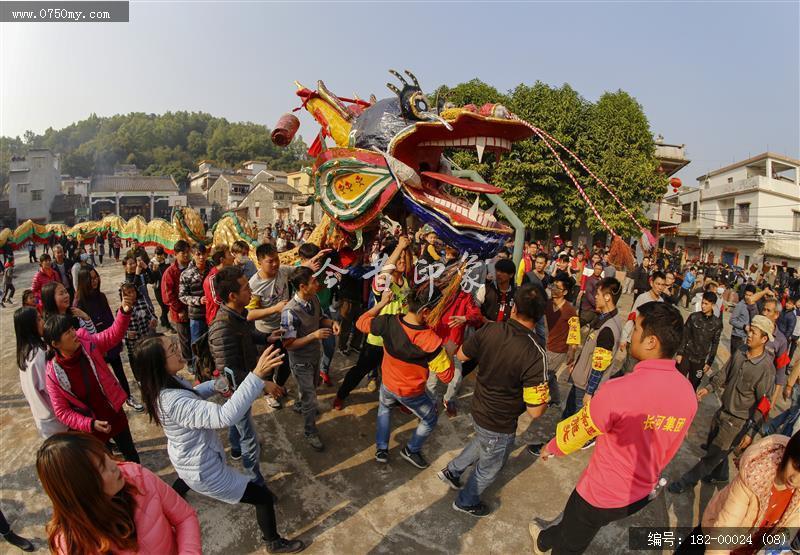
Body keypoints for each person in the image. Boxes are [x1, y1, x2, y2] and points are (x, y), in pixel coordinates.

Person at [530, 302, 697, 554]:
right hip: (640, 495)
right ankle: (545, 538)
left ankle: (547, 543)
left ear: (652, 341)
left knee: (571, 543)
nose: (630, 335)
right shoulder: (687, 392)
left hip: (600, 493)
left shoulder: (618, 390)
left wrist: (552, 447)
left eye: (637, 329)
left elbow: (581, 430)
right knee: (579, 526)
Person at [135, 336, 305, 553]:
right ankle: (273, 542)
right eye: (172, 349)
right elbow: (225, 416)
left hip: (185, 458)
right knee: (262, 498)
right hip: (204, 470)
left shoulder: (162, 385)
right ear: (159, 364)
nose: (179, 350)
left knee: (186, 477)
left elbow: (193, 394)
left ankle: (172, 496)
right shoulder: (174, 403)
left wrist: (215, 385)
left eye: (175, 345)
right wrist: (257, 376)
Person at [439, 284, 549, 517]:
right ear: (541, 315)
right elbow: (536, 412)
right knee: (489, 466)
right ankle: (466, 501)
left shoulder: (491, 330)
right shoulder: (535, 352)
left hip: (478, 407)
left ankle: (452, 471)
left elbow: (460, 355)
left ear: (515, 306)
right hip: (500, 420)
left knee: (483, 442)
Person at [36, 432, 201, 554]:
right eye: (102, 467)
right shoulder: (72, 544)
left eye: (105, 455)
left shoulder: (137, 477)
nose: (114, 465)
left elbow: (184, 517)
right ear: (83, 489)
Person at [669, 315, 777, 494]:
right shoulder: (741, 351)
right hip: (722, 411)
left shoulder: (766, 369)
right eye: (750, 330)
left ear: (764, 339)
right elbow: (725, 372)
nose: (749, 335)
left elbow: (764, 404)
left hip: (737, 422)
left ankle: (684, 482)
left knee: (711, 457)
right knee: (716, 448)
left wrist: (751, 432)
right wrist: (709, 387)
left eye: (754, 333)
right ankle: (720, 475)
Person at [356, 285, 454, 468]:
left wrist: (382, 303)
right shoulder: (431, 341)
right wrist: (449, 352)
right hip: (411, 392)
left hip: (387, 383)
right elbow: (447, 377)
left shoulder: (387, 322)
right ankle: (411, 449)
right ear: (425, 312)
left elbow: (361, 322)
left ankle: (382, 449)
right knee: (431, 417)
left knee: (384, 409)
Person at [528, 277, 623, 460]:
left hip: (585, 384)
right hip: (583, 380)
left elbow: (599, 364)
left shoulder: (608, 328)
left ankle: (552, 448)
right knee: (570, 416)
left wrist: (590, 391)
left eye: (598, 294)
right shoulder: (608, 320)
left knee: (573, 420)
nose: (595, 297)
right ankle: (558, 444)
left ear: (608, 297)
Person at [44, 293, 141, 463]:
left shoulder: (86, 342)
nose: (73, 333)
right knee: (107, 463)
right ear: (55, 344)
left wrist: (124, 312)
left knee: (131, 454)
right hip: (92, 428)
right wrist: (89, 424)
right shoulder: (54, 373)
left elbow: (112, 335)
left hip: (113, 413)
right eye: (67, 332)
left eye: (72, 329)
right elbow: (62, 411)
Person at [209, 265, 282, 481]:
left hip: (245, 382)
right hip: (236, 389)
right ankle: (254, 479)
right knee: (249, 437)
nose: (251, 292)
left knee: (240, 420)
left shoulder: (238, 314)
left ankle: (235, 447)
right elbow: (228, 372)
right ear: (232, 296)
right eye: (245, 289)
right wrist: (262, 383)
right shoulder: (222, 328)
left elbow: (247, 334)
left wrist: (265, 338)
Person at [677, 432, 800, 554]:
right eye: (795, 466)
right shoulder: (755, 475)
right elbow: (723, 532)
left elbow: (790, 525)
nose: (795, 479)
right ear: (788, 453)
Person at [334, 237, 412, 410]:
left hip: (397, 339)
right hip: (377, 339)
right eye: (398, 258)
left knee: (397, 372)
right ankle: (341, 395)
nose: (402, 261)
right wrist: (400, 247)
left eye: (403, 258)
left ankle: (400, 400)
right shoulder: (383, 282)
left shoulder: (405, 283)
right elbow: (385, 271)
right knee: (360, 369)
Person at [282, 266, 340, 450]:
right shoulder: (289, 312)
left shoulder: (313, 299)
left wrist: (332, 323)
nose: (317, 284)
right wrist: (313, 336)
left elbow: (321, 317)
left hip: (315, 355)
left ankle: (300, 404)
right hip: (300, 362)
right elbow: (288, 344)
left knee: (312, 388)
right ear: (302, 286)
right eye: (313, 282)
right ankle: (310, 432)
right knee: (311, 399)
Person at [74, 267, 142, 412]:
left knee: (119, 371)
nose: (95, 281)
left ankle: (128, 397)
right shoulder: (79, 304)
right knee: (104, 378)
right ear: (83, 281)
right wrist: (98, 348)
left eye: (96, 277)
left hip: (110, 340)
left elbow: (111, 320)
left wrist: (118, 339)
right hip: (95, 346)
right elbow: (83, 331)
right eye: (91, 279)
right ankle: (112, 404)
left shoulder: (101, 296)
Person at [246, 243, 293, 408]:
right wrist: (274, 308)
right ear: (260, 262)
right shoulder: (254, 285)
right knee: (268, 366)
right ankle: (268, 392)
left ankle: (278, 386)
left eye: (277, 260)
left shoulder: (283, 272)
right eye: (270, 261)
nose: (275, 264)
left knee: (287, 363)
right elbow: (250, 314)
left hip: (286, 327)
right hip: (266, 332)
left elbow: (303, 268)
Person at [15, 306, 68, 438]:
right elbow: (51, 388)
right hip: (55, 420)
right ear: (30, 327)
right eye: (38, 320)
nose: (43, 322)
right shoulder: (38, 355)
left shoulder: (24, 354)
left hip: (43, 419)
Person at [617, 271, 666, 376]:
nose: (660, 287)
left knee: (638, 372)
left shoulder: (661, 302)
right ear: (652, 283)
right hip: (635, 340)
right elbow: (632, 317)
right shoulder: (642, 298)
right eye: (658, 284)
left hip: (647, 344)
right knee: (629, 370)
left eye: (663, 285)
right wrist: (624, 338)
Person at [542, 274, 580, 408]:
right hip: (545, 344)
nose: (554, 290)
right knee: (549, 373)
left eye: (558, 288)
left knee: (545, 373)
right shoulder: (547, 304)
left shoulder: (570, 310)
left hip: (559, 349)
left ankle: (541, 399)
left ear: (565, 292)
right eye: (553, 286)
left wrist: (572, 351)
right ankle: (556, 397)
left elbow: (574, 331)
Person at [120, 256, 158, 380]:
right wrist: (126, 334)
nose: (132, 266)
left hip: (146, 338)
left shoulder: (142, 302)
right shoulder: (122, 310)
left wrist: (146, 268)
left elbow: (153, 279)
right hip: (133, 346)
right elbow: (119, 329)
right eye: (129, 264)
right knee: (139, 370)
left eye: (134, 263)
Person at [676, 291, 724, 390]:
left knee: (693, 386)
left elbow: (715, 343)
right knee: (678, 382)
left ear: (713, 305)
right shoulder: (693, 317)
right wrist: (679, 353)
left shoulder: (717, 323)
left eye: (706, 304)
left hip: (700, 360)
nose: (703, 306)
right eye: (702, 302)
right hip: (686, 355)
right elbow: (685, 335)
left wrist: (709, 362)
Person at [179, 243, 210, 368]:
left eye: (203, 254)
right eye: (198, 254)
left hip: (212, 313)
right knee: (196, 344)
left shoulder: (212, 269)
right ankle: (197, 370)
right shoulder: (186, 274)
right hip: (196, 315)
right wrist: (198, 300)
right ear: (193, 255)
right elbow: (182, 296)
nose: (201, 257)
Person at [161, 240, 192, 365]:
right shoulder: (170, 272)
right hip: (180, 312)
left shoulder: (193, 267)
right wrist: (179, 310)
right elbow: (168, 296)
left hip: (195, 309)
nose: (186, 255)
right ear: (175, 254)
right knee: (184, 338)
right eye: (182, 253)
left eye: (187, 252)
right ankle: (189, 361)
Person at [203, 245, 234, 326]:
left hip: (230, 316)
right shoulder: (212, 278)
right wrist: (235, 303)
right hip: (217, 319)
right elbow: (216, 300)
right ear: (222, 260)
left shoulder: (228, 273)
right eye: (229, 254)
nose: (233, 257)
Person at [150, 245, 172, 330]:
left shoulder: (166, 261)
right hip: (158, 288)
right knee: (163, 306)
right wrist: (154, 271)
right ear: (155, 254)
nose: (159, 256)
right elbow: (151, 280)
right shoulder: (152, 263)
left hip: (167, 287)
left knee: (167, 307)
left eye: (160, 254)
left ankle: (163, 318)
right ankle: (167, 325)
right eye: (157, 254)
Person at [576, 261, 603, 328]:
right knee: (580, 328)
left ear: (602, 271)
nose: (597, 271)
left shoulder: (602, 280)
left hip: (596, 309)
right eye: (596, 268)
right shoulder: (590, 279)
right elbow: (589, 295)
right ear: (594, 268)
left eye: (599, 269)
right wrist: (597, 306)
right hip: (587, 309)